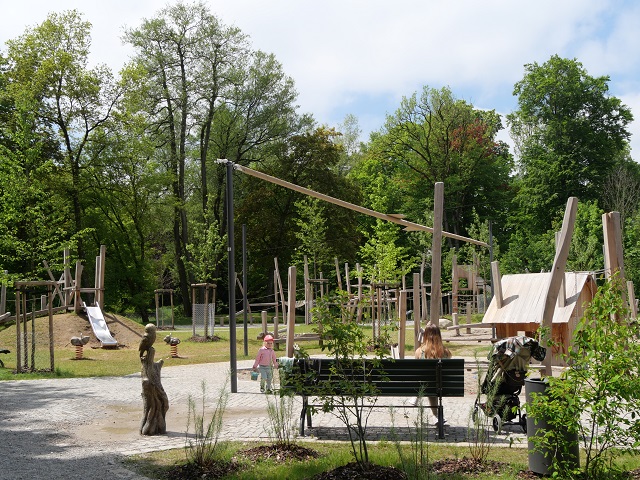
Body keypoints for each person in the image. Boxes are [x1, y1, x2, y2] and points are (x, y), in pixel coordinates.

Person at [415, 322, 452, 426]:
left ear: (425, 335)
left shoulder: (419, 352)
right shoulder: (446, 352)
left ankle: (435, 416)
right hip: (445, 386)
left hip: (426, 386)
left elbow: (417, 372)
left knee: (429, 384)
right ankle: (436, 416)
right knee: (435, 383)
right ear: (439, 335)